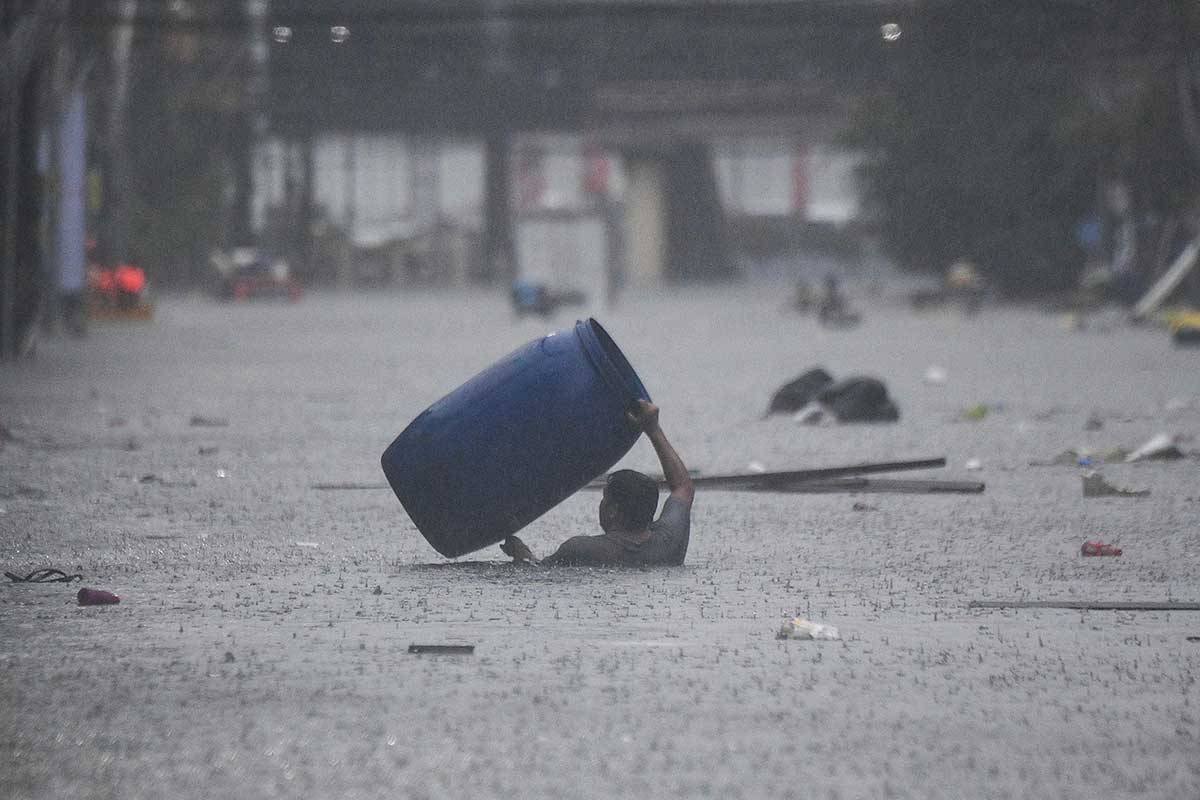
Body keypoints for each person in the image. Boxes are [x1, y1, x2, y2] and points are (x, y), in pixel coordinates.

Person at [499, 400, 694, 567]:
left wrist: (520, 553)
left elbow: (536, 570)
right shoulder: (669, 544)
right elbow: (683, 487)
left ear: (612, 510)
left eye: (604, 499)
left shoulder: (582, 550)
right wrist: (653, 429)